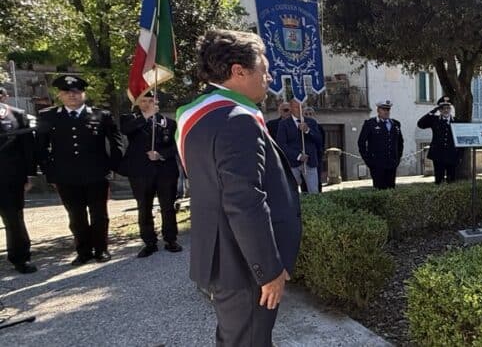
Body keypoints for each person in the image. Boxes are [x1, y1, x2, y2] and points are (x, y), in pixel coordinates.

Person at [179, 30, 301, 345]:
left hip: (223, 255)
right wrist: (269, 269)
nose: (269, 77)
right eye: (264, 68)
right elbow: (245, 202)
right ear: (238, 71)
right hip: (244, 264)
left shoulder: (202, 114)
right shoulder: (237, 119)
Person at [35, 75, 123, 265]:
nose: (72, 96)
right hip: (66, 176)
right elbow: (41, 148)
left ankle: (101, 249)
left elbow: (116, 143)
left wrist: (113, 166)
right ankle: (83, 251)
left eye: (76, 92)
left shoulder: (101, 115)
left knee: (99, 214)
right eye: (67, 92)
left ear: (83, 94)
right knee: (76, 216)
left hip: (96, 174)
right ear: (60, 95)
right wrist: (50, 172)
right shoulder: (48, 116)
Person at [118, 90, 181, 257]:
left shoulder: (169, 123)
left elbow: (176, 146)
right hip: (140, 172)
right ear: (138, 103)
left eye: (150, 100)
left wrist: (161, 155)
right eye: (143, 101)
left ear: (157, 102)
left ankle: (170, 239)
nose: (147, 104)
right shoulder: (130, 119)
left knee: (168, 206)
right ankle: (149, 242)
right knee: (144, 207)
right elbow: (126, 130)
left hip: (165, 171)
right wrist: (146, 117)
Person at [0, 86, 38, 273]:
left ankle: (20, 258)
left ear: (5, 97)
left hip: (11, 178)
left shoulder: (17, 115)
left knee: (14, 220)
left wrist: (29, 174)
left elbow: (28, 147)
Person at [276, 99, 324, 193]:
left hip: (310, 162)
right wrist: (298, 156)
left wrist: (307, 131)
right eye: (296, 107)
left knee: (314, 192)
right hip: (293, 163)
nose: (299, 109)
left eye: (301, 107)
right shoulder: (284, 124)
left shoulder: (311, 122)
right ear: (291, 108)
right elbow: (281, 144)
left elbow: (319, 140)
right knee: (291, 192)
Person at [357, 100, 403, 189]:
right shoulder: (370, 124)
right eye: (384, 109)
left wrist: (398, 158)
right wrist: (368, 161)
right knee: (379, 189)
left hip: (392, 163)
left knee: (391, 189)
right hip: (377, 164)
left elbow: (400, 142)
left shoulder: (395, 124)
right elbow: (361, 143)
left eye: (388, 109)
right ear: (378, 110)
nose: (386, 112)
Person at [417, 96, 460, 184]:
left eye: (448, 108)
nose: (446, 110)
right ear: (439, 110)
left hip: (452, 155)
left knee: (451, 180)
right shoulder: (434, 120)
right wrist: (432, 112)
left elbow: (460, 140)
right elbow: (420, 124)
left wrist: (460, 156)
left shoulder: (456, 121)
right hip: (438, 155)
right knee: (438, 180)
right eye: (443, 108)